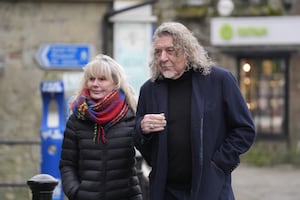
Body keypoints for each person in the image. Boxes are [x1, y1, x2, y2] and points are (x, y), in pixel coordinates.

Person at [134, 22, 256, 200]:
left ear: (187, 51)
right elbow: (139, 140)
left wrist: (218, 164)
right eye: (158, 52)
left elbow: (245, 130)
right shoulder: (150, 89)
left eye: (170, 50)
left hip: (210, 189)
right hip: (166, 191)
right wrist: (142, 129)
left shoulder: (219, 80)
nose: (162, 58)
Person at [59, 54, 143, 200]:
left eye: (102, 79)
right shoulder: (77, 119)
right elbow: (67, 164)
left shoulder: (130, 116)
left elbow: (149, 152)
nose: (95, 84)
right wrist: (76, 193)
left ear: (115, 82)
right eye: (91, 79)